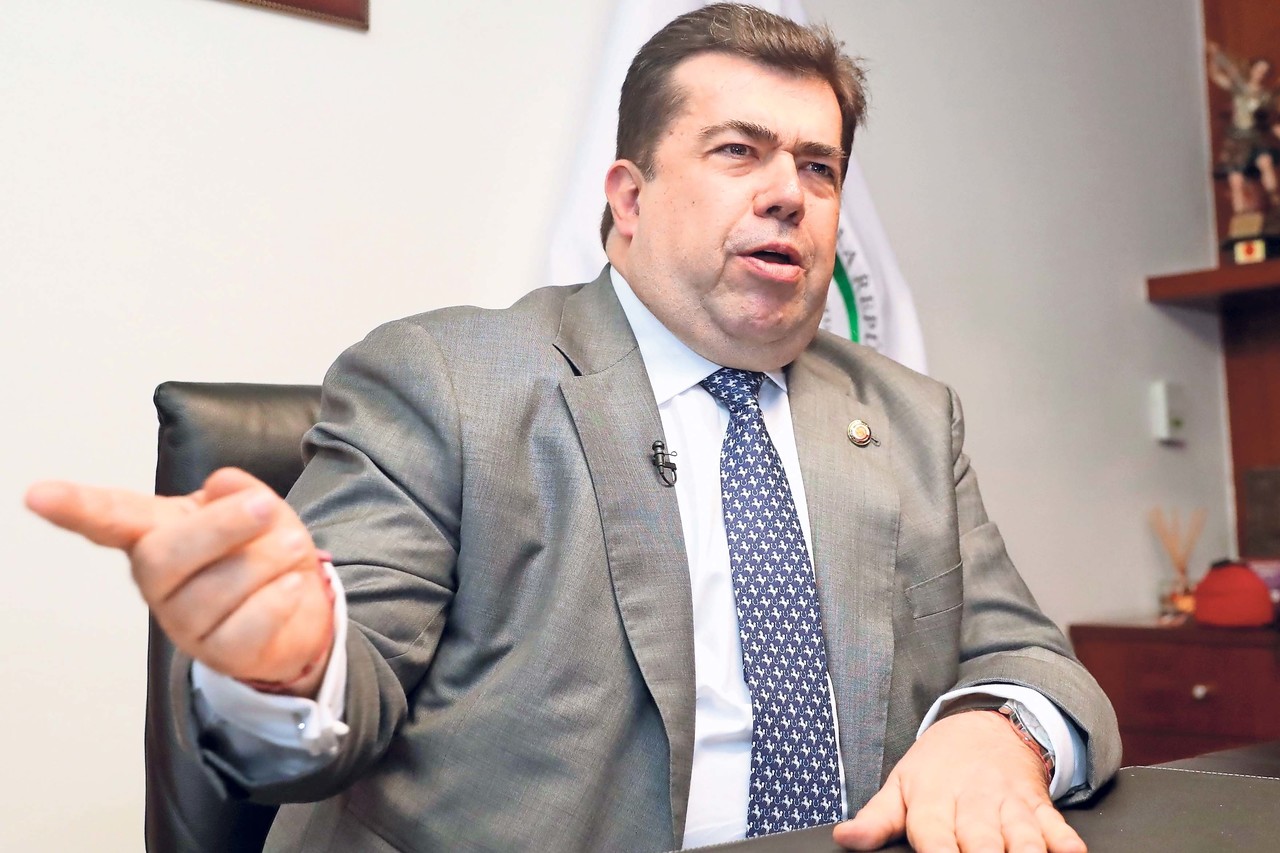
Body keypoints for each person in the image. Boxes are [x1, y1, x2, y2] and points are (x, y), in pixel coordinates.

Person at [26, 5, 1119, 851]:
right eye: (738, 152)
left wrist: (995, 731)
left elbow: (1032, 657)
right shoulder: (446, 382)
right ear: (628, 200)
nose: (790, 192)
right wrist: (287, 668)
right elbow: (335, 704)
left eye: (818, 166)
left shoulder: (911, 417)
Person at [1207, 41, 1280, 215]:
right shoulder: (1239, 87)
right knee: (1236, 179)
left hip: (1255, 135)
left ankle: (1274, 198)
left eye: (1264, 71)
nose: (1260, 74)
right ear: (1251, 69)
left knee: (1265, 162)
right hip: (1237, 137)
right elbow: (1217, 75)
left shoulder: (1265, 96)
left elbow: (1272, 118)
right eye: (1258, 69)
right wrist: (1214, 56)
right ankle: (1240, 215)